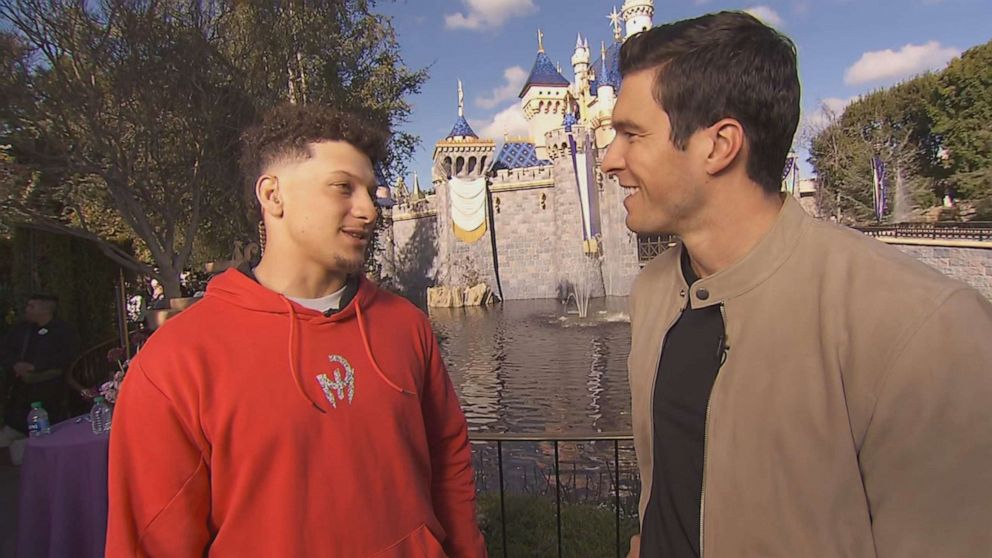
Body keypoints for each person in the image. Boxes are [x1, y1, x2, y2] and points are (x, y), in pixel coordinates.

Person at [601, 12, 992, 558]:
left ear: (719, 146)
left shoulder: (925, 328)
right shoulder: (653, 291)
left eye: (631, 134)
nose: (607, 159)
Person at [107, 104, 487, 557]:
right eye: (343, 188)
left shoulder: (406, 325)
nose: (369, 209)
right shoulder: (176, 361)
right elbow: (150, 540)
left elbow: (448, 462)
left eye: (370, 190)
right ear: (273, 195)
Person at [0, 294, 79, 441]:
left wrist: (36, 366)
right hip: (19, 395)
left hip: (50, 393)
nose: (27, 310)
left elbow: (68, 356)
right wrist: (16, 364)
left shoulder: (63, 331)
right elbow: (5, 350)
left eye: (32, 306)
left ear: (45, 309)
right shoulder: (22, 330)